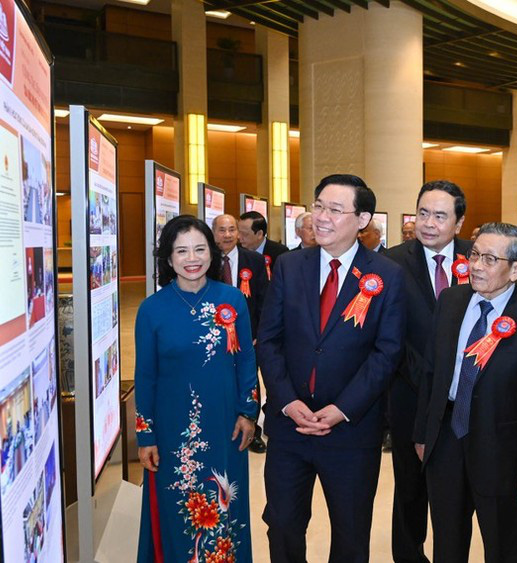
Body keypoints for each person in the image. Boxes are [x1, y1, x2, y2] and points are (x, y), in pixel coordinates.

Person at [258, 174, 406, 563]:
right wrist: (288, 401)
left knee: (351, 533)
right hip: (290, 427)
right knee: (283, 526)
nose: (321, 217)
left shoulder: (387, 275)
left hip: (351, 431)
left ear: (362, 220)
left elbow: (387, 353)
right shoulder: (290, 267)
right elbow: (269, 341)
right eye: (319, 205)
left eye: (335, 210)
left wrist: (342, 409)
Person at [414, 222, 517, 563]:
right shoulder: (450, 300)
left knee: (505, 546)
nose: (476, 265)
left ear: (516, 269)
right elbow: (431, 373)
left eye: (490, 259)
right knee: (447, 543)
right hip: (446, 439)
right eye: (475, 254)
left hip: (502, 452)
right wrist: (423, 433)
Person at [135, 215, 259, 562]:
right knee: (177, 508)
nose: (192, 258)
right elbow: (144, 376)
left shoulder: (232, 300)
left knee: (225, 504)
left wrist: (248, 412)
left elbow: (247, 359)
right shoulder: (152, 310)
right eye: (182, 251)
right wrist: (146, 436)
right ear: (169, 258)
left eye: (200, 249)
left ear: (212, 252)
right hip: (174, 430)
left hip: (224, 425)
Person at [384, 179, 472, 563]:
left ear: (459, 222)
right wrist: (427, 378)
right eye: (422, 213)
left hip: (467, 397)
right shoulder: (389, 262)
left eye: (440, 215)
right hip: (410, 393)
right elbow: (386, 333)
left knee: (460, 489)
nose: (429, 223)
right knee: (409, 487)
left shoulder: (480, 258)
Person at [212, 213, 269, 454]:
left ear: (238, 233)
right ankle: (222, 424)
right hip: (215, 336)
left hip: (249, 336)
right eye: (221, 230)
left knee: (249, 380)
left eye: (231, 230)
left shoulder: (254, 260)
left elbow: (264, 299)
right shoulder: (207, 260)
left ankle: (252, 430)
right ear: (213, 233)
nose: (227, 235)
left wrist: (259, 333)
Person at [238, 210, 289, 279]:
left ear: (259, 234)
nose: (239, 237)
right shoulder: (237, 250)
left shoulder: (280, 252)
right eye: (238, 232)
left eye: (244, 234)